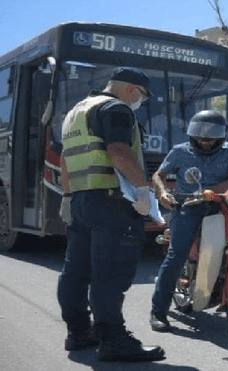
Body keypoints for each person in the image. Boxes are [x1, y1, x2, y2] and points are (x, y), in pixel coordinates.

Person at [57, 67, 165, 362]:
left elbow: (66, 160)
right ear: (132, 90)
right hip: (111, 202)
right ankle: (113, 339)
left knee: (76, 271)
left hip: (80, 201)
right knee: (109, 274)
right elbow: (118, 151)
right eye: (142, 96)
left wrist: (68, 196)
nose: (140, 101)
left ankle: (79, 332)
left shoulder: (76, 112)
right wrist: (144, 190)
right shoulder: (116, 108)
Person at [150, 110, 228, 332]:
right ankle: (158, 311)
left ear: (222, 136)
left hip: (222, 206)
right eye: (200, 136)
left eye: (210, 137)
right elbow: (158, 175)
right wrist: (162, 192)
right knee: (177, 255)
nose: (204, 141)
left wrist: (209, 193)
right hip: (189, 208)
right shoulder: (180, 151)